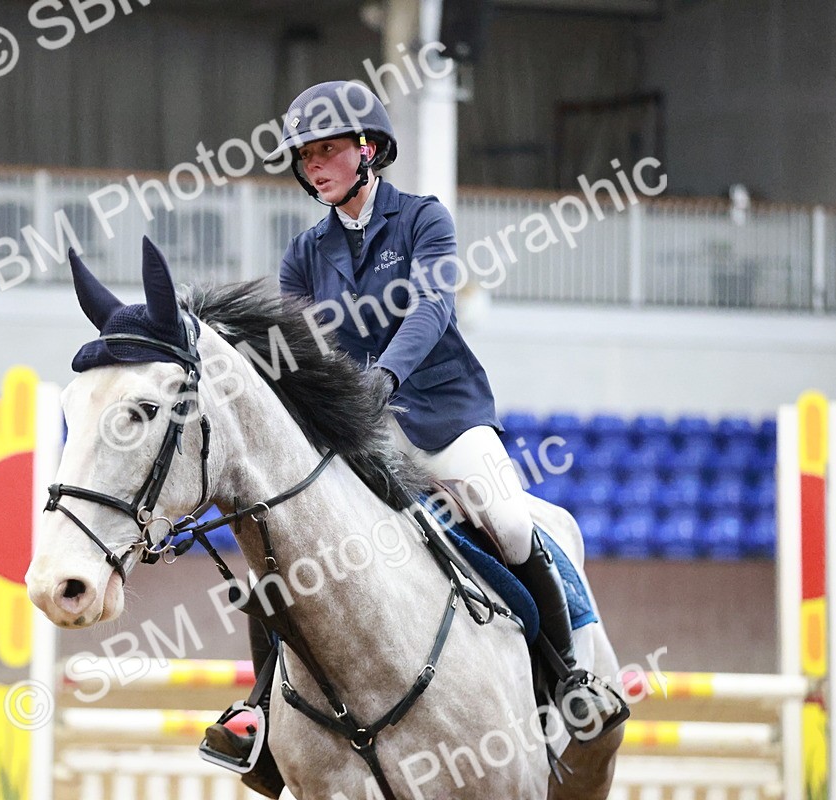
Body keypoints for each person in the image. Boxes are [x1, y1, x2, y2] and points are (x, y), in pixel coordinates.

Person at [203, 81, 619, 793]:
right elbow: (299, 350)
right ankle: (261, 713)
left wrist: (385, 378)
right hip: (356, 429)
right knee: (287, 550)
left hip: (441, 412)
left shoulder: (424, 219)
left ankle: (568, 675)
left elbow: (430, 307)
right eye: (305, 155)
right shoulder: (305, 253)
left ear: (368, 149)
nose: (314, 165)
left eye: (328, 149)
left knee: (509, 521)